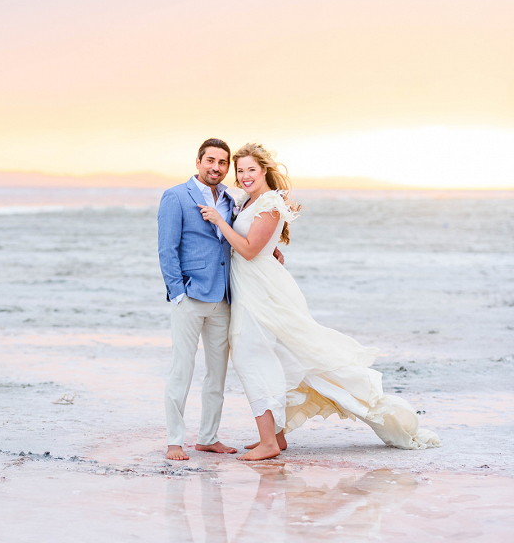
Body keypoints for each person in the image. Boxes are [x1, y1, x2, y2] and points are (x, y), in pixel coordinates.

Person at [198, 142, 441, 461]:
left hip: (261, 292)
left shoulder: (270, 201)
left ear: (264, 171)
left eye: (250, 170)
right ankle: (276, 437)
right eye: (240, 170)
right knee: (280, 356)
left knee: (250, 357)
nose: (244, 176)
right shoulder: (249, 201)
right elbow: (259, 245)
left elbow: (248, 249)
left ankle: (269, 443)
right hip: (251, 287)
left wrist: (219, 222)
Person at [157, 138, 284, 461]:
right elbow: (166, 249)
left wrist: (272, 250)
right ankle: (175, 440)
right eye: (210, 161)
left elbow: (244, 236)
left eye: (222, 163)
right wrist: (178, 292)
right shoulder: (175, 196)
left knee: (217, 374)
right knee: (181, 370)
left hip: (225, 297)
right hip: (190, 297)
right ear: (198, 162)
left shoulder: (231, 199)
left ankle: (208, 437)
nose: (216, 167)